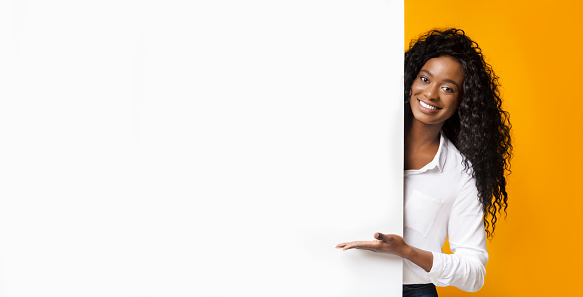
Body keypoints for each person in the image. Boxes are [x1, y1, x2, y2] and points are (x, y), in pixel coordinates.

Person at [336, 28, 512, 296]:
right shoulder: (359, 137)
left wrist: (407, 251)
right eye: (425, 79)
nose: (431, 94)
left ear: (462, 100)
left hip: (412, 290)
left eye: (447, 88)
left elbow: (474, 273)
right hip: (337, 279)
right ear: (411, 80)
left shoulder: (461, 174)